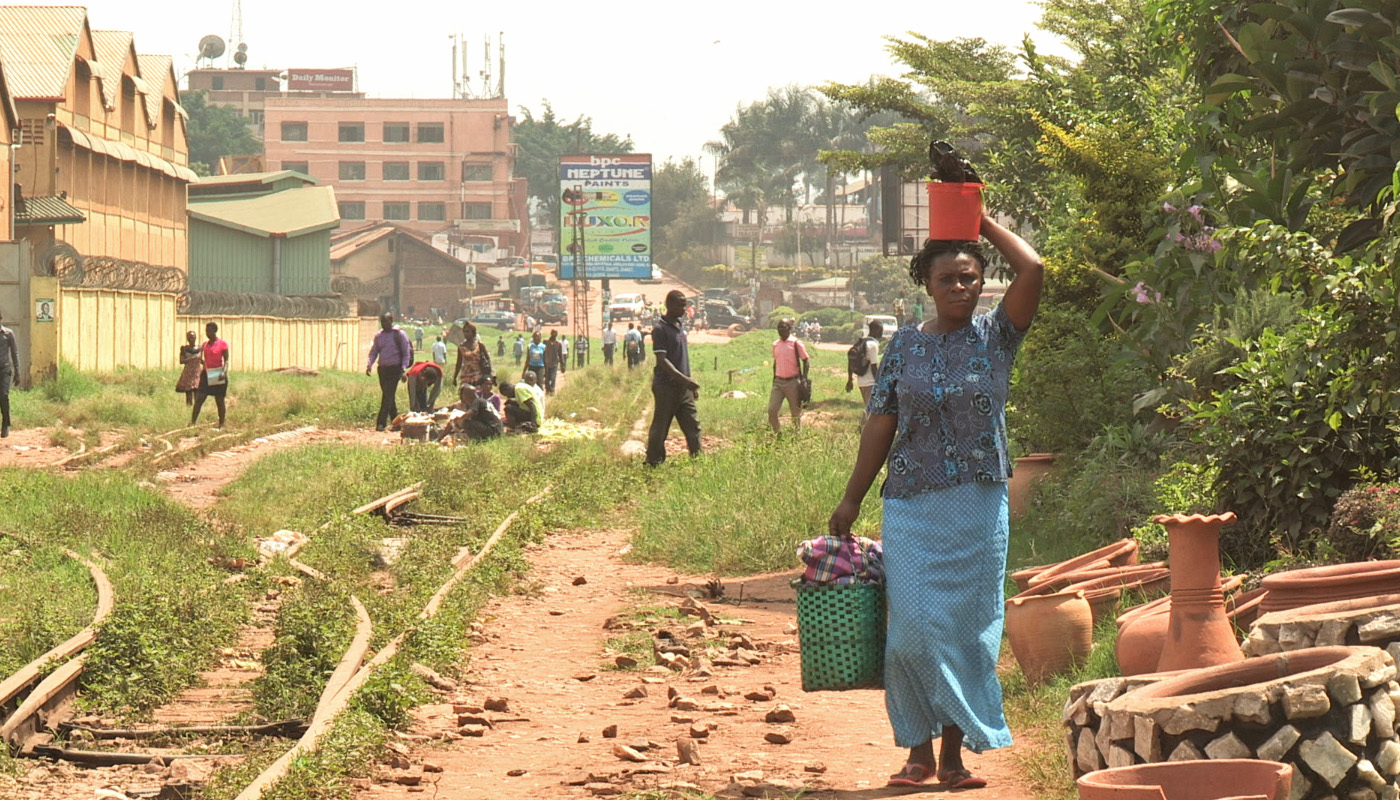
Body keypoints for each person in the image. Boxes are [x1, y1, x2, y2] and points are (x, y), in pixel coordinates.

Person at [827, 216, 1044, 790]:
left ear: (981, 282)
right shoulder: (904, 346)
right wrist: (851, 497)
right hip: (912, 505)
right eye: (947, 278)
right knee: (912, 632)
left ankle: (951, 758)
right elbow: (880, 423)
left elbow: (1034, 267)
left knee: (969, 630)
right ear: (927, 283)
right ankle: (916, 750)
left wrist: (980, 221)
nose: (960, 287)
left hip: (978, 505)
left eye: (970, 278)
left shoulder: (997, 336)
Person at [645, 290, 702, 466]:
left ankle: (698, 461)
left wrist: (689, 385)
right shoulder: (660, 328)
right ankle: (654, 462)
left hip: (683, 389)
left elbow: (683, 358)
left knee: (693, 426)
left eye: (685, 305)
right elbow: (662, 361)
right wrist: (685, 380)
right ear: (669, 305)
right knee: (661, 427)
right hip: (666, 387)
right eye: (680, 305)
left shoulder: (680, 326)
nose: (684, 309)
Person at [367, 312, 412, 431]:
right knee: (389, 396)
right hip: (383, 369)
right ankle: (396, 422)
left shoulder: (399, 334)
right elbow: (374, 351)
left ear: (391, 321)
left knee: (387, 395)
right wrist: (369, 364)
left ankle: (381, 423)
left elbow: (406, 353)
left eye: (386, 321)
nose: (384, 324)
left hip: (395, 369)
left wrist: (403, 369)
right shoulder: (379, 335)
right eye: (382, 322)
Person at [769, 318, 810, 433]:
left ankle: (796, 437)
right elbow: (775, 362)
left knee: (795, 413)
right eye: (779, 327)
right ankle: (777, 434)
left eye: (784, 327)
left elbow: (806, 360)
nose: (781, 329)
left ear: (790, 329)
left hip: (792, 382)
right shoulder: (776, 344)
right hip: (778, 382)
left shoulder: (796, 343)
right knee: (772, 410)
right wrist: (774, 378)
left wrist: (804, 379)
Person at [191, 322, 230, 429]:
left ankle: (221, 424)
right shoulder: (205, 345)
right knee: (199, 399)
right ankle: (192, 422)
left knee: (219, 400)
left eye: (209, 331)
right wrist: (204, 364)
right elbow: (200, 358)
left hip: (218, 374)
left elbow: (226, 361)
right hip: (207, 374)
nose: (207, 333)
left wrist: (224, 372)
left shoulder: (223, 344)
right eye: (206, 331)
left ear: (214, 331)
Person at [846, 320, 884, 424]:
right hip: (870, 381)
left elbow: (850, 362)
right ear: (875, 330)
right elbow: (874, 367)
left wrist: (850, 380)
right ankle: (863, 427)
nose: (881, 333)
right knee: (871, 408)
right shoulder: (873, 345)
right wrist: (878, 383)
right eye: (881, 330)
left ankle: (864, 427)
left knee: (869, 406)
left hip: (861, 381)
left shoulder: (861, 342)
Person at [450, 321, 493, 391]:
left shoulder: (480, 345)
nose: (465, 334)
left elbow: (487, 359)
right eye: (464, 332)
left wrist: (489, 375)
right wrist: (455, 377)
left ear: (473, 333)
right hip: (465, 376)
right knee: (466, 396)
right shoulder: (461, 347)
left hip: (478, 376)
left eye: (467, 332)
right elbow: (459, 363)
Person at [0, 309, 18, 438]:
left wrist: (18, 372)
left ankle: (6, 424)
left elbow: (14, 353)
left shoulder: (8, 333)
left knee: (3, 396)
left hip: (4, 370)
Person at [176, 330, 202, 406]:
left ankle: (196, 409)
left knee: (197, 392)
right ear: (187, 338)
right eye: (190, 337)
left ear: (196, 338)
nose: (191, 339)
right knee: (188, 393)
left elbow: (202, 360)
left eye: (193, 337)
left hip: (197, 373)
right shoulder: (184, 349)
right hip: (188, 373)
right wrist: (192, 358)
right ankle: (189, 409)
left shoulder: (200, 348)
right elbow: (181, 361)